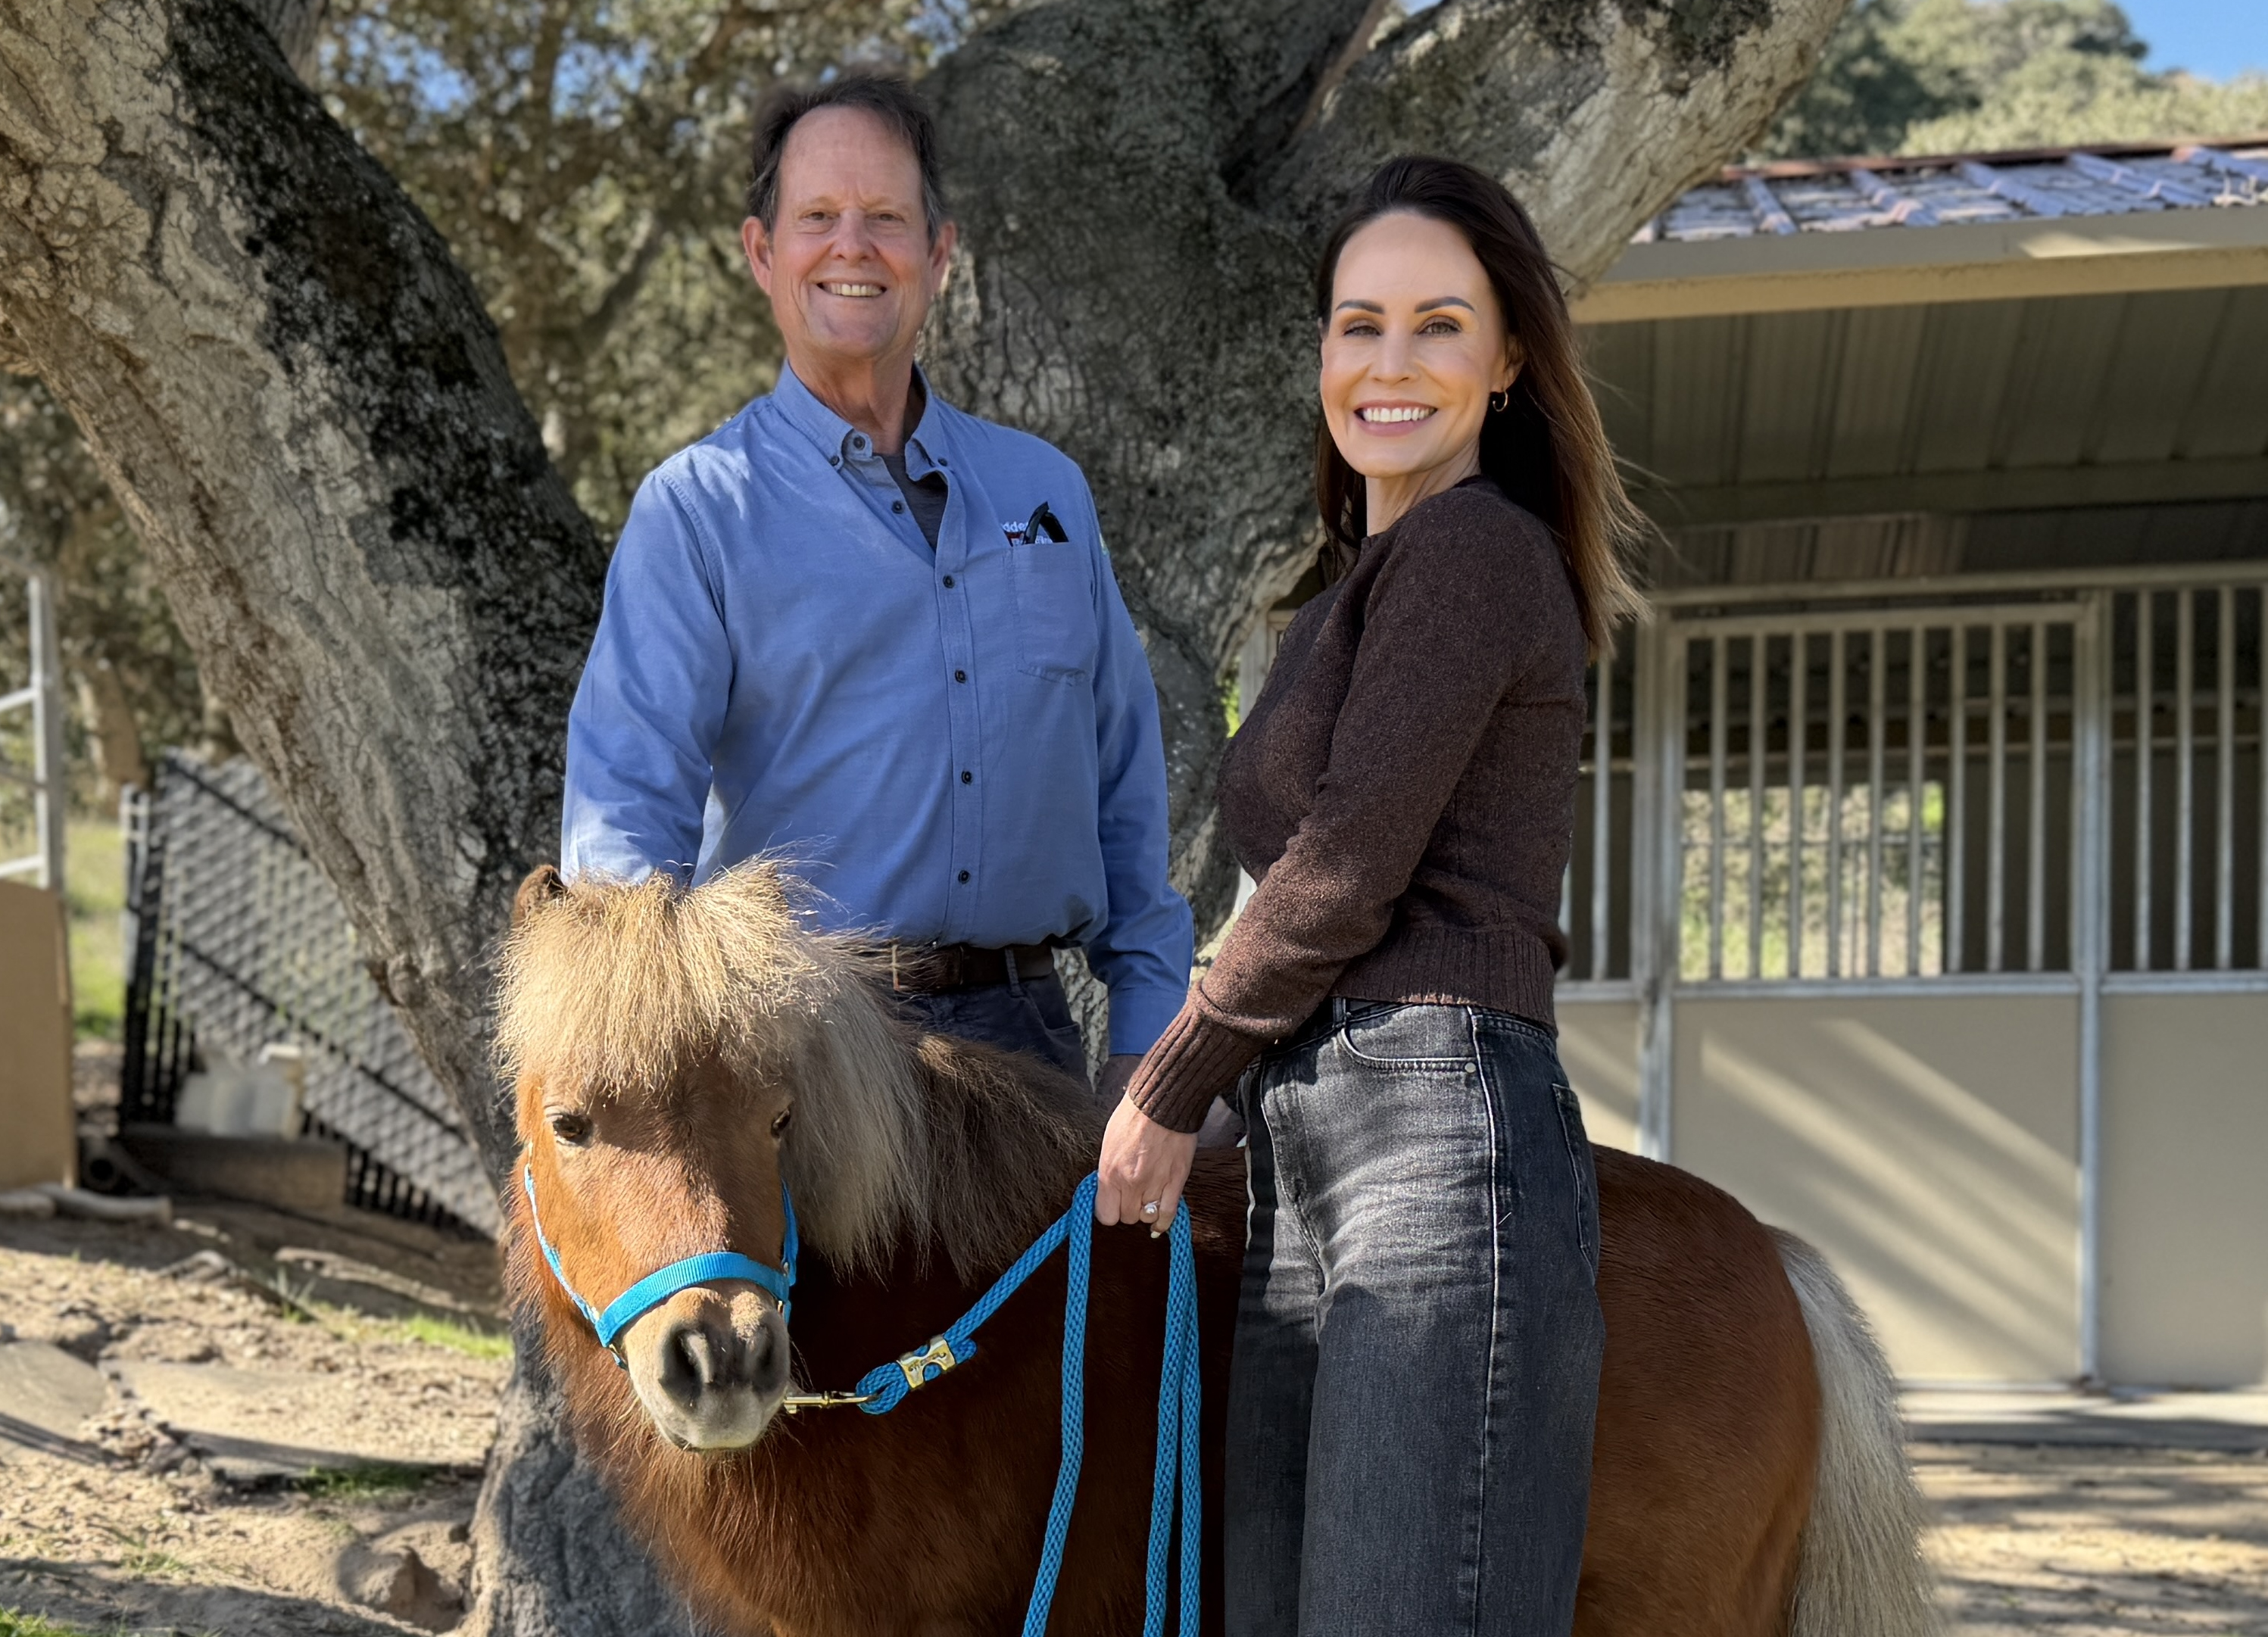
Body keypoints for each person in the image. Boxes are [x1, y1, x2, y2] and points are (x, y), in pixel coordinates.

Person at [1096, 156, 1647, 1633]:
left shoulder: (1472, 548)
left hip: (1434, 1128)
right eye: (1358, 325)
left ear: (1509, 360)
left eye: (1437, 326)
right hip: (1310, 1137)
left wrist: (1166, 1084)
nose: (1388, 364)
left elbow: (1340, 870)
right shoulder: (1351, 588)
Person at [560, 74, 1192, 1097]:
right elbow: (623, 822)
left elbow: (1124, 780)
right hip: (803, 1053)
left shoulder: (1049, 494)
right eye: (818, 217)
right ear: (763, 253)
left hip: (1030, 1049)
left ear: (938, 256)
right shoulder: (698, 511)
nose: (852, 245)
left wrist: (1151, 1038)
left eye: (886, 219)